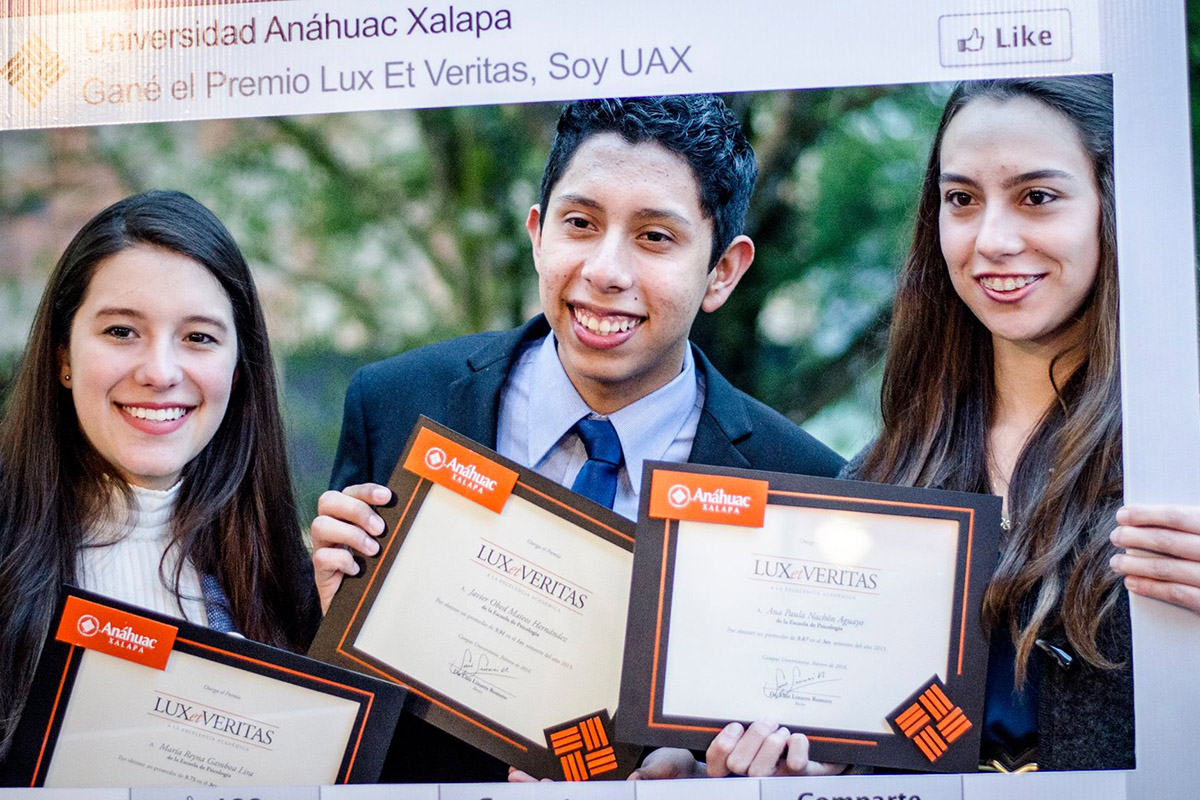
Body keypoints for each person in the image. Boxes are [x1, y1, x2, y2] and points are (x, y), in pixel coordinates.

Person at [311, 94, 844, 782]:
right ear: (538, 233)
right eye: (580, 223)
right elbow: (333, 735)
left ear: (723, 273)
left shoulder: (801, 484)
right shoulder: (394, 405)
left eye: (656, 237)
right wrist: (337, 617)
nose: (605, 271)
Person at [701, 74, 1200, 777]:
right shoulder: (881, 472)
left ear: (1112, 206)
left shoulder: (1186, 455)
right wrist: (815, 771)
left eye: (1037, 197)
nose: (993, 239)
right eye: (962, 200)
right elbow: (869, 737)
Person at [0, 191, 320, 760]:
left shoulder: (284, 578)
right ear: (63, 358)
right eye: (122, 331)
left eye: (199, 337)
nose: (160, 372)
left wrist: (335, 640)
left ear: (239, 368)